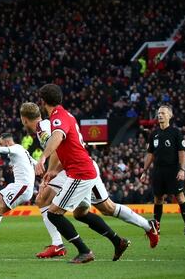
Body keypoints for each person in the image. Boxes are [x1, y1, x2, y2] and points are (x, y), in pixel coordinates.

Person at [19, 102, 158, 258]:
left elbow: (57, 148)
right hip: (78, 167)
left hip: (76, 170)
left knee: (43, 200)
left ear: (24, 119)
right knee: (94, 210)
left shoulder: (43, 128)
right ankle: (133, 233)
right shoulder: (50, 123)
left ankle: (60, 246)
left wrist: (51, 170)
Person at [35, 84, 131, 264]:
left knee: (53, 213)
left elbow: (57, 137)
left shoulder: (58, 117)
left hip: (80, 173)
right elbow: (65, 147)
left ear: (43, 101)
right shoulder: (66, 114)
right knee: (81, 213)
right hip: (82, 170)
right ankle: (118, 241)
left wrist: (42, 158)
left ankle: (84, 251)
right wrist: (53, 170)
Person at [140, 105, 185, 235]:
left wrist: (182, 169)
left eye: (163, 113)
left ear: (169, 116)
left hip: (173, 170)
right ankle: (157, 228)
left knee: (179, 196)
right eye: (159, 113)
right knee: (158, 198)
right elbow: (150, 154)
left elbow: (181, 152)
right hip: (158, 171)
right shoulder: (154, 134)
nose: (160, 115)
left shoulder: (175, 132)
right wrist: (144, 171)